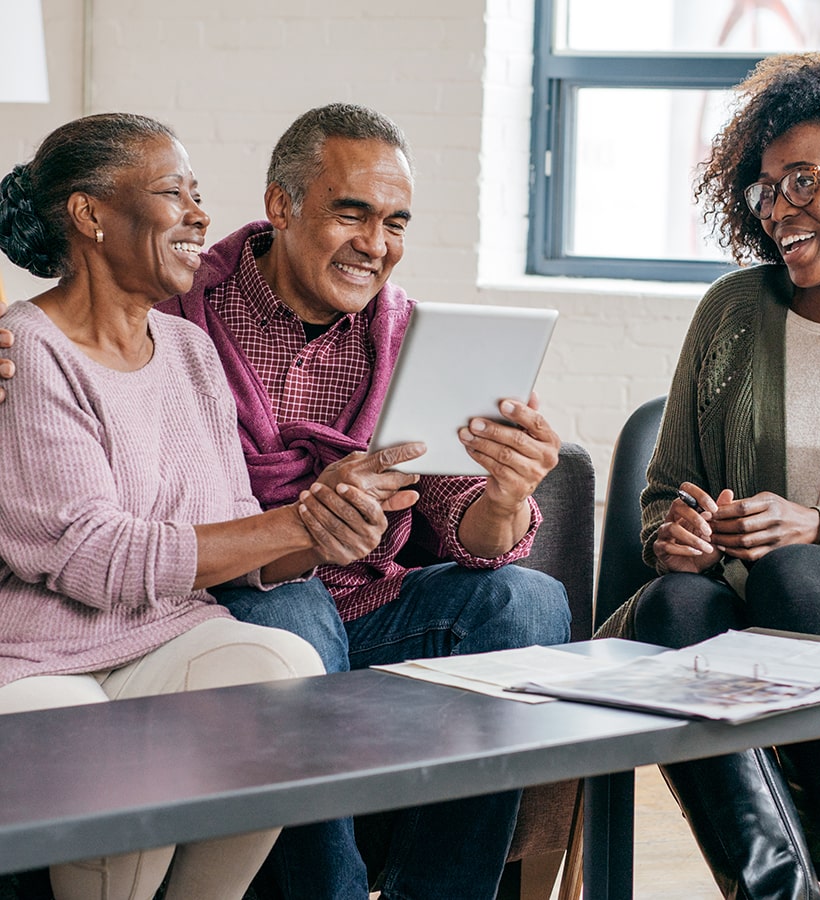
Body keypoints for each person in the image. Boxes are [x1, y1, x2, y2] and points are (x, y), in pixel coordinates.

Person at [152, 102, 572, 900]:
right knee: (295, 619)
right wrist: (309, 526)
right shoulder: (179, 317)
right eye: (352, 213)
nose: (376, 245)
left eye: (395, 222)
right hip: (225, 610)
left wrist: (509, 492)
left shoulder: (413, 333)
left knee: (527, 602)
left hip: (370, 607)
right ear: (282, 204)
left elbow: (470, 531)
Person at [0, 111, 421, 900]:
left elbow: (238, 523)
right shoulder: (30, 351)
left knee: (284, 669)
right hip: (35, 658)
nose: (201, 214)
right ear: (90, 215)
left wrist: (326, 531)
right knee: (116, 755)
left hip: (160, 635)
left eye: (199, 194)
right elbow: (96, 555)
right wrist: (292, 520)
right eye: (172, 193)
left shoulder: (190, 351)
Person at [597, 50, 820, 900]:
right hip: (722, 618)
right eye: (766, 188)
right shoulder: (735, 312)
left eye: (802, 181)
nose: (779, 209)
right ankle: (784, 889)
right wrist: (676, 536)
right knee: (674, 606)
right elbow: (667, 490)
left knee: (804, 576)